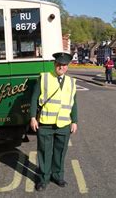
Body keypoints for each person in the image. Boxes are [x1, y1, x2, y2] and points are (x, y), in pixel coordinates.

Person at [30, 52, 78, 191]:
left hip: (64, 124)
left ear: (67, 67)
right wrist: (33, 117)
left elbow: (74, 103)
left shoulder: (71, 82)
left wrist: (74, 121)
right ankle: (43, 178)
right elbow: (34, 98)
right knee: (44, 152)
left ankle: (57, 176)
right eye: (58, 64)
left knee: (60, 152)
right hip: (45, 123)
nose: (61, 67)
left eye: (64, 65)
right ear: (54, 64)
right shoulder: (44, 78)